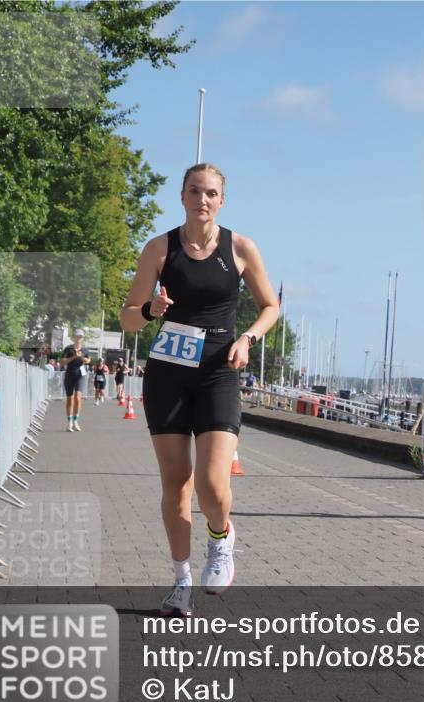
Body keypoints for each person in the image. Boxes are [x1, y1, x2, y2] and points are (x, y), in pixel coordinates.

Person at [120, 163, 278, 617]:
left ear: (222, 200)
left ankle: (221, 536)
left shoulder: (240, 248)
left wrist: (247, 338)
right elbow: (128, 318)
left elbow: (270, 306)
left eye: (210, 193)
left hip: (218, 373)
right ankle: (182, 581)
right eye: (194, 191)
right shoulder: (159, 248)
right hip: (168, 375)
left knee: (211, 483)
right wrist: (150, 310)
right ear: (182, 196)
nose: (202, 199)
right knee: (176, 486)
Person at [60, 330, 88, 432]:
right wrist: (74, 357)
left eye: (81, 337)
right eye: (77, 336)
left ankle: (76, 421)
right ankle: (69, 423)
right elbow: (62, 362)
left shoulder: (85, 349)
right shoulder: (69, 349)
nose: (79, 338)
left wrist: (84, 359)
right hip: (70, 374)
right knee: (70, 399)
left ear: (82, 338)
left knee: (78, 398)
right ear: (74, 338)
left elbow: (88, 359)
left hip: (81, 374)